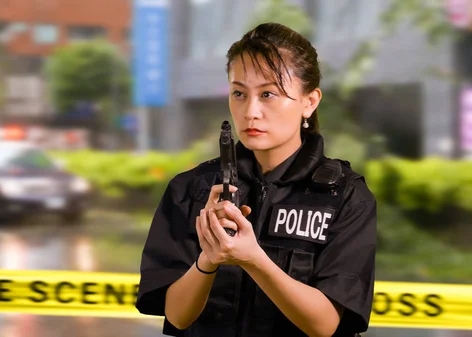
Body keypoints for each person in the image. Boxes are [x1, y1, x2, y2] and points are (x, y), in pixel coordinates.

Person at [135, 22, 377, 337]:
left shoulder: (344, 195)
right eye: (239, 93)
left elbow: (325, 324)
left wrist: (253, 260)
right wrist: (208, 259)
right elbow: (178, 317)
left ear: (310, 101)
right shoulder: (191, 189)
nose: (251, 111)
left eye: (268, 94)